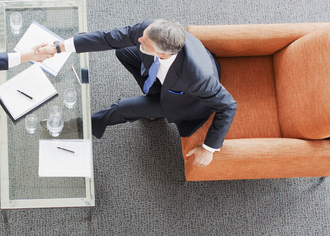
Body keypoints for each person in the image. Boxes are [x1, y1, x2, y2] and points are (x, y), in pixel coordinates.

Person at [39, 19, 236, 168]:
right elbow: (108, 39)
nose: (139, 39)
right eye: (143, 35)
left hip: (183, 101)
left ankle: (76, 127)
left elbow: (228, 105)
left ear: (162, 53)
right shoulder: (149, 30)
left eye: (145, 42)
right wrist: (58, 47)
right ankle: (152, 98)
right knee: (123, 51)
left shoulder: (198, 78)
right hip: (167, 80)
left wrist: (209, 148)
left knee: (121, 108)